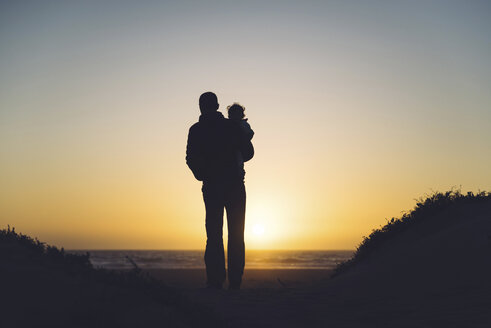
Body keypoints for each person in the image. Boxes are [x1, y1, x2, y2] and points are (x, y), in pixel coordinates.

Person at [186, 92, 254, 290]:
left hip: (212, 186)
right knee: (236, 234)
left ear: (201, 107)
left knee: (214, 234)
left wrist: (202, 173)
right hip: (234, 185)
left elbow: (190, 158)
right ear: (217, 105)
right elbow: (249, 153)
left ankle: (215, 281)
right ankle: (235, 281)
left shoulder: (196, 130)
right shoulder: (231, 126)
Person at [227, 103, 254, 172]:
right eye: (233, 115)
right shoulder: (228, 125)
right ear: (230, 116)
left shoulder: (243, 124)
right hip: (233, 148)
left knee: (238, 158)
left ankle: (239, 170)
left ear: (242, 115)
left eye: (237, 115)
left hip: (240, 147)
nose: (235, 117)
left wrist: (244, 140)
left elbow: (250, 133)